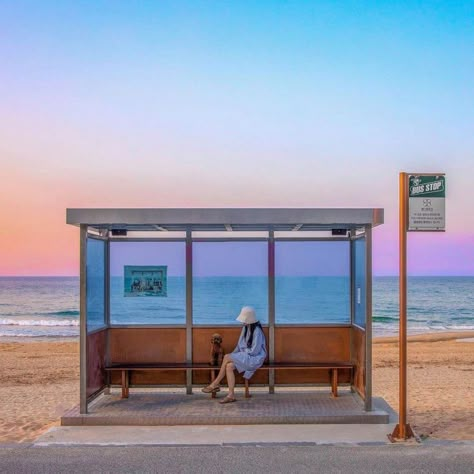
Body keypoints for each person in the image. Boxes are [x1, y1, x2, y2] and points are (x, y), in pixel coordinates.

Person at [201, 306, 267, 404]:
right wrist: (235, 356)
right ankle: (231, 395)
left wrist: (237, 355)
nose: (242, 321)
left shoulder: (257, 331)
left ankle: (215, 383)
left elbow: (255, 351)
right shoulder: (245, 328)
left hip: (254, 358)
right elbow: (239, 345)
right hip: (246, 356)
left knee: (227, 356)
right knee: (229, 366)